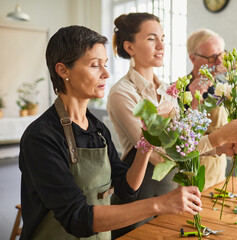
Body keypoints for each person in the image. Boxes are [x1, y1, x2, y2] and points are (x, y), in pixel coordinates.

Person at [19, 25, 202, 240]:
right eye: (95, 65)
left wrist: (146, 142)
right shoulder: (41, 137)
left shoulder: (97, 129)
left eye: (105, 65)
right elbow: (76, 218)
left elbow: (125, 189)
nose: (106, 74)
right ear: (63, 70)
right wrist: (159, 204)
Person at [107, 13, 237, 238]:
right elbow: (159, 156)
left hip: (172, 197)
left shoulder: (168, 91)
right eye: (151, 39)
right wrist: (218, 138)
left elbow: (182, 143)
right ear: (129, 46)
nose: (161, 45)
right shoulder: (122, 93)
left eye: (162, 38)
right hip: (139, 199)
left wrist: (221, 149)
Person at [186, 28, 231, 190]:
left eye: (222, 54)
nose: (220, 62)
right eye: (213, 57)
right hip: (193, 178)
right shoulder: (178, 91)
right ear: (193, 58)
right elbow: (181, 142)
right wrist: (194, 103)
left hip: (219, 174)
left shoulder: (223, 87)